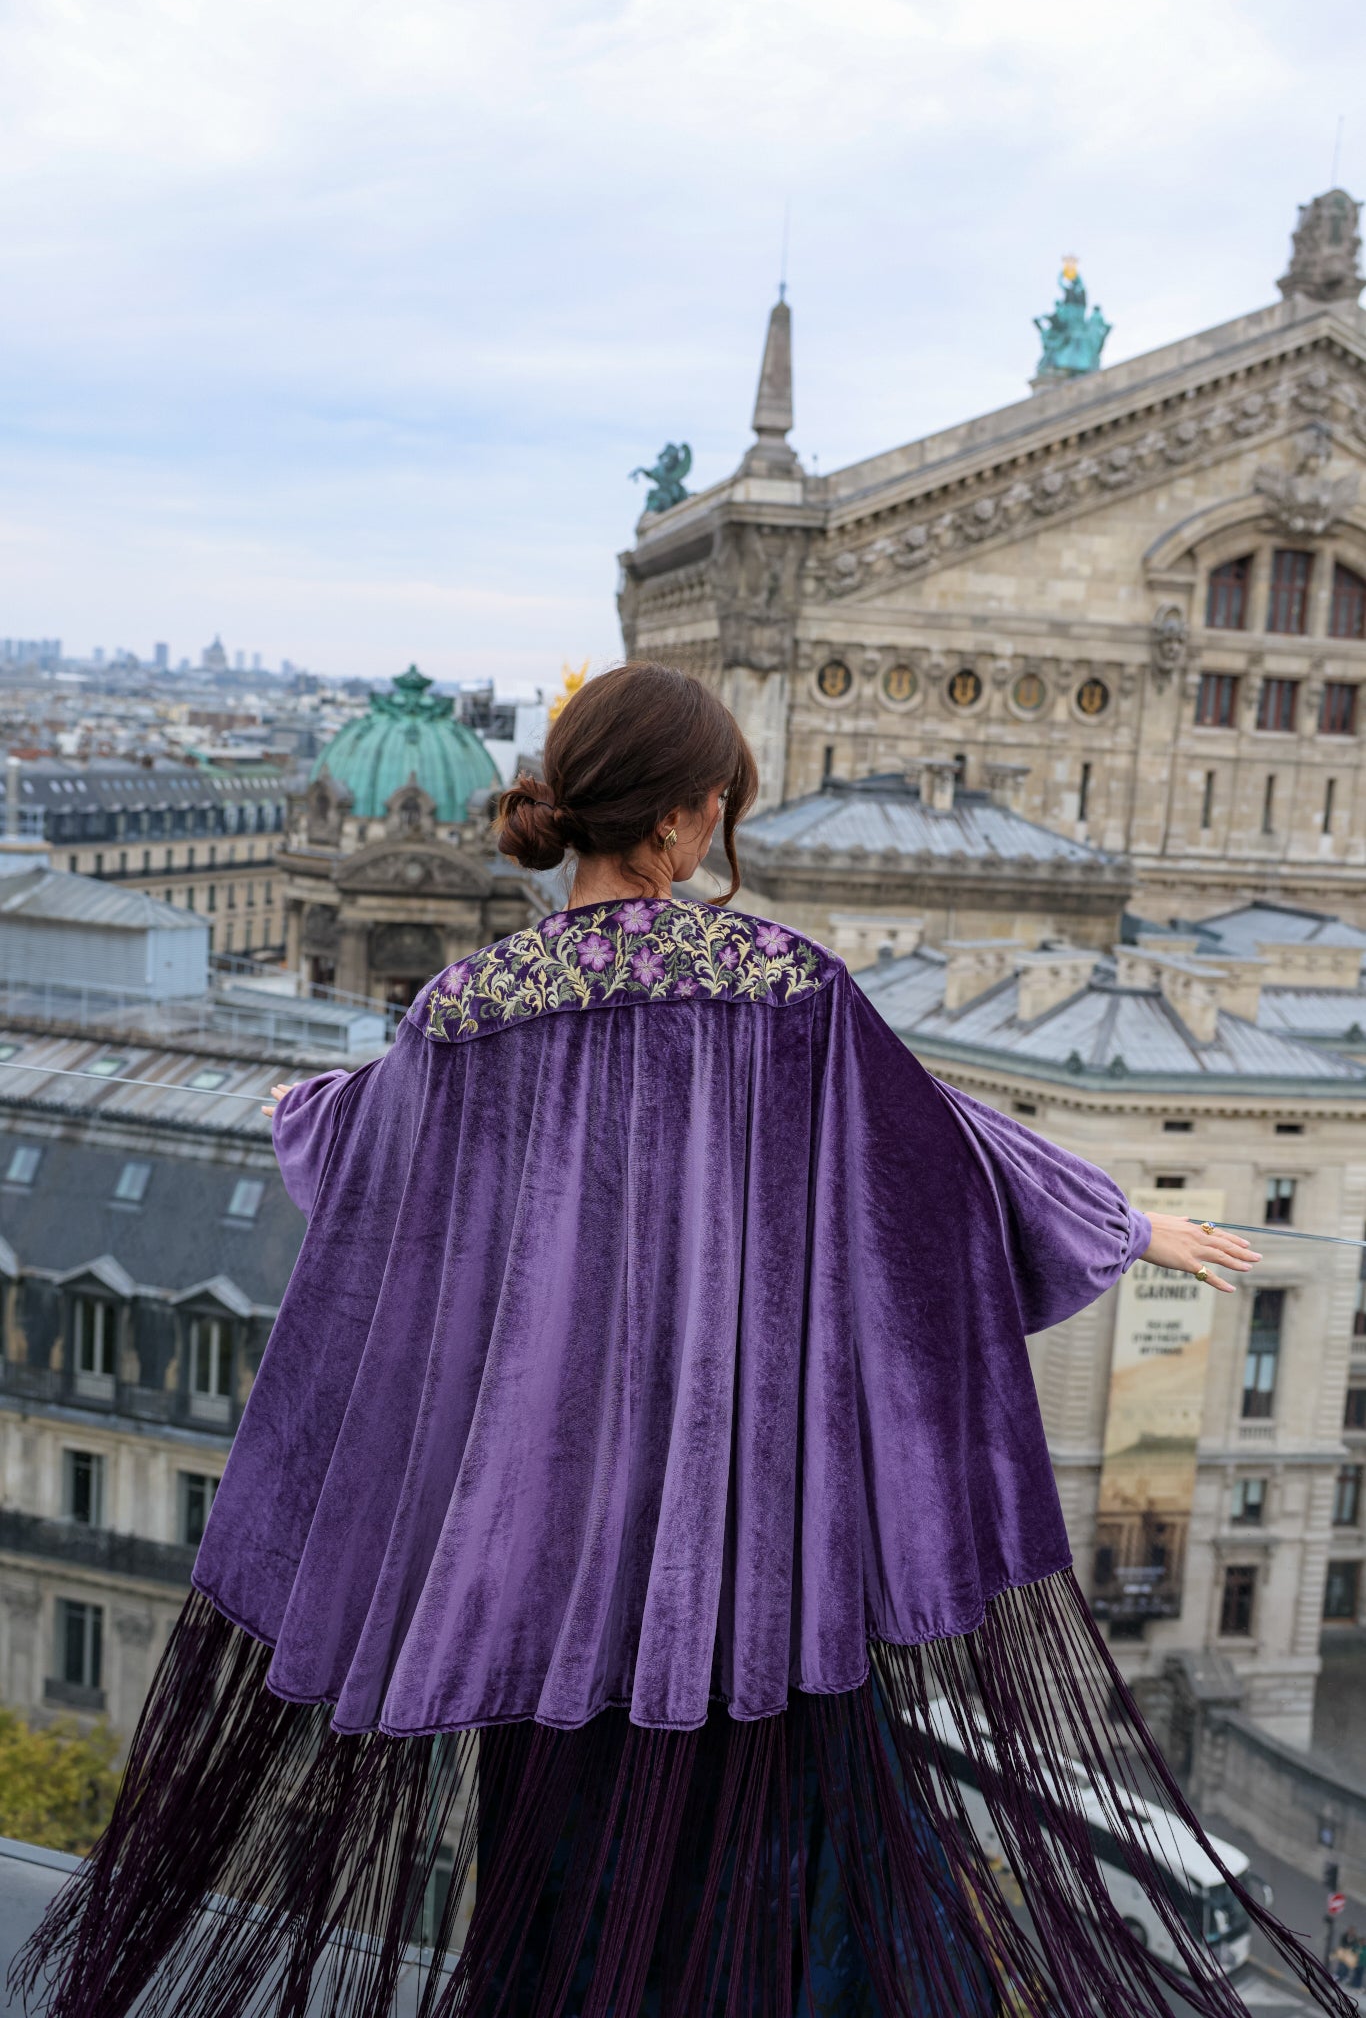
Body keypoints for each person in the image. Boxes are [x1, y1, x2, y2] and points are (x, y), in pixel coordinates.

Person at [12, 665, 1354, 2018]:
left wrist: (300, 1105)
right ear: (683, 823)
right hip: (732, 1539)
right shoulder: (776, 985)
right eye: (716, 807)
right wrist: (1119, 1222)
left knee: (558, 1889)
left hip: (539, 1541)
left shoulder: (468, 1006)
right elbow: (930, 1157)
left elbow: (364, 1144)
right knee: (769, 1904)